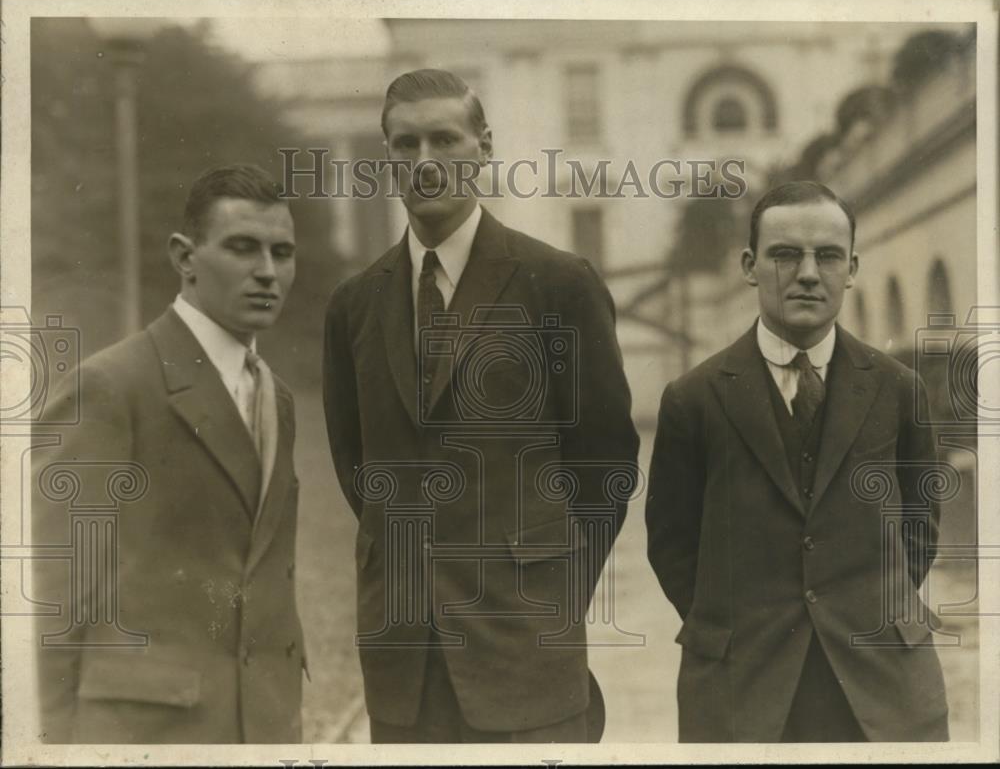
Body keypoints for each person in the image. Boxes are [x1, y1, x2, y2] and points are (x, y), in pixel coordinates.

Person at [323, 69, 639, 743]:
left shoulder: (557, 283)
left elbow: (604, 464)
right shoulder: (354, 304)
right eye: (405, 146)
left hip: (528, 656)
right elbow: (359, 470)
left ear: (483, 146)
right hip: (402, 659)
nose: (425, 162)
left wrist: (548, 592)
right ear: (388, 159)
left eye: (444, 139)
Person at [645, 181, 949, 742]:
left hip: (883, 687)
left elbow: (920, 527)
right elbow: (672, 545)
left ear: (851, 268)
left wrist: (858, 610)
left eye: (827, 255)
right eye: (785, 254)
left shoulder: (898, 389)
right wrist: (738, 625)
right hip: (742, 691)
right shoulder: (693, 398)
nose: (808, 272)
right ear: (749, 265)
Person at [32, 164, 306, 743]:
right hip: (145, 732)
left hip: (261, 725)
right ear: (185, 258)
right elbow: (51, 595)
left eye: (282, 253)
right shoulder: (111, 386)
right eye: (242, 248)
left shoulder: (276, 397)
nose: (266, 272)